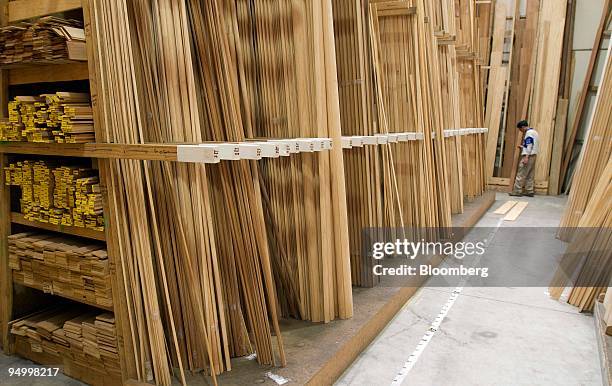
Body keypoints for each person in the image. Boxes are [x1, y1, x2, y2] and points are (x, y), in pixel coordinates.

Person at [510, 120, 539, 197]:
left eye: (520, 129)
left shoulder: (528, 133)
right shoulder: (535, 132)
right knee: (530, 174)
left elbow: (529, 145)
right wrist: (523, 147)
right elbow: (532, 144)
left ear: (523, 127)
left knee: (521, 173)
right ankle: (529, 191)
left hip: (528, 156)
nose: (520, 131)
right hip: (533, 155)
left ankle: (517, 191)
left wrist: (526, 157)